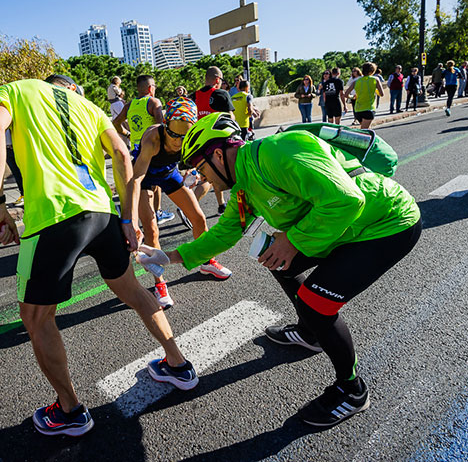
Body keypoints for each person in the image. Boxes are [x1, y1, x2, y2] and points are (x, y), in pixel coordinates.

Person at [138, 113, 421, 427]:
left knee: (316, 302)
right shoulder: (244, 186)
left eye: (201, 168)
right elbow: (226, 232)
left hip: (387, 224)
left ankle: (352, 390)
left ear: (217, 154)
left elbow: (346, 199)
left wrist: (293, 239)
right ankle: (310, 333)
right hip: (347, 226)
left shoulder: (277, 151)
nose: (204, 179)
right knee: (273, 256)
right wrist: (170, 256)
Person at [0, 75, 199, 437]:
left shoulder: (18, 89)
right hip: (102, 213)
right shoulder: (90, 107)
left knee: (36, 317)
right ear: (72, 89)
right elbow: (121, 156)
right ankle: (177, 363)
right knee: (134, 291)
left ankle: (70, 411)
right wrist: (127, 219)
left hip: (52, 217)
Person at [129, 97, 232, 307]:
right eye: (173, 134)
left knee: (199, 218)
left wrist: (196, 174)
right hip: (144, 177)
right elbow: (136, 178)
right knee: (151, 229)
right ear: (165, 125)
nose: (178, 141)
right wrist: (131, 220)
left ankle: (206, 262)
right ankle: (159, 283)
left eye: (184, 136)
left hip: (168, 174)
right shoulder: (152, 137)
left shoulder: (191, 137)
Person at [114, 75, 175, 225]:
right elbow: (162, 126)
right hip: (152, 149)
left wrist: (127, 134)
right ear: (150, 88)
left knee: (142, 184)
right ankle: (157, 212)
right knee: (156, 181)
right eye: (154, 86)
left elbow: (115, 123)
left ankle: (137, 214)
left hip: (136, 151)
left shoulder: (129, 105)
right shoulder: (154, 102)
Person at [191, 66, 232, 214]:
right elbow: (230, 118)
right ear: (217, 80)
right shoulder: (221, 94)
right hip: (218, 143)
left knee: (212, 175)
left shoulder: (193, 96)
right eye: (221, 80)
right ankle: (188, 207)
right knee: (209, 179)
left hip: (199, 143)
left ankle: (221, 205)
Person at [345, 62, 384, 129]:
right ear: (372, 71)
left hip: (358, 110)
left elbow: (346, 94)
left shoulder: (356, 81)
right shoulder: (375, 79)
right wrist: (374, 90)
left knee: (367, 130)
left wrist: (352, 97)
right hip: (369, 109)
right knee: (364, 132)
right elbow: (381, 94)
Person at [5, 129, 24, 207]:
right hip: (7, 149)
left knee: (24, 173)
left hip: (18, 147)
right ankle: (23, 195)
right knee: (16, 174)